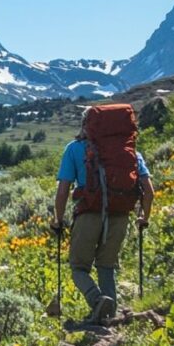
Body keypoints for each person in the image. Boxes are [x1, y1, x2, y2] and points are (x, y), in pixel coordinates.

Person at [51, 107, 154, 323]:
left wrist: (58, 220)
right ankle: (109, 315)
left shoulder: (74, 149)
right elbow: (149, 190)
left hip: (88, 213)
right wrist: (144, 217)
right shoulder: (130, 152)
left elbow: (63, 191)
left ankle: (98, 301)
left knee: (79, 267)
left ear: (86, 125)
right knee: (106, 266)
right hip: (120, 214)